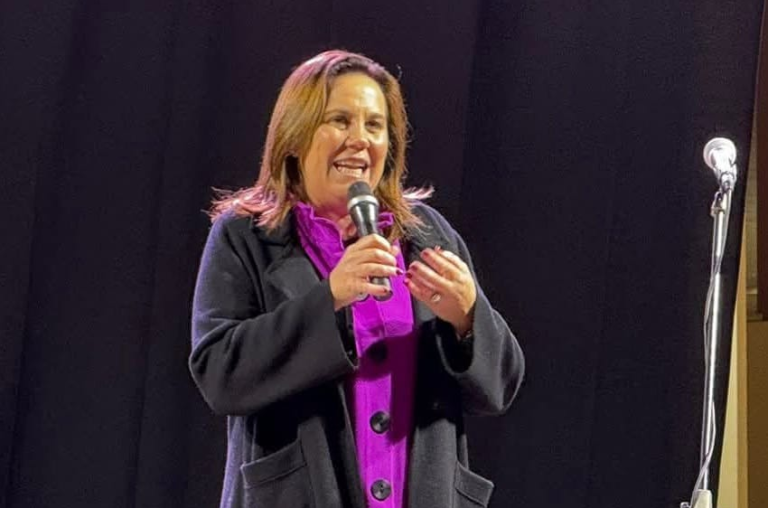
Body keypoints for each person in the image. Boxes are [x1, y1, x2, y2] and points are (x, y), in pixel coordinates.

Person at [189, 49, 524, 508]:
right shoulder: (246, 235)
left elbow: (500, 388)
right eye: (339, 120)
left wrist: (469, 319)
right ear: (295, 135)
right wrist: (329, 298)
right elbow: (219, 374)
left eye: (375, 125)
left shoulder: (427, 234)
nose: (360, 139)